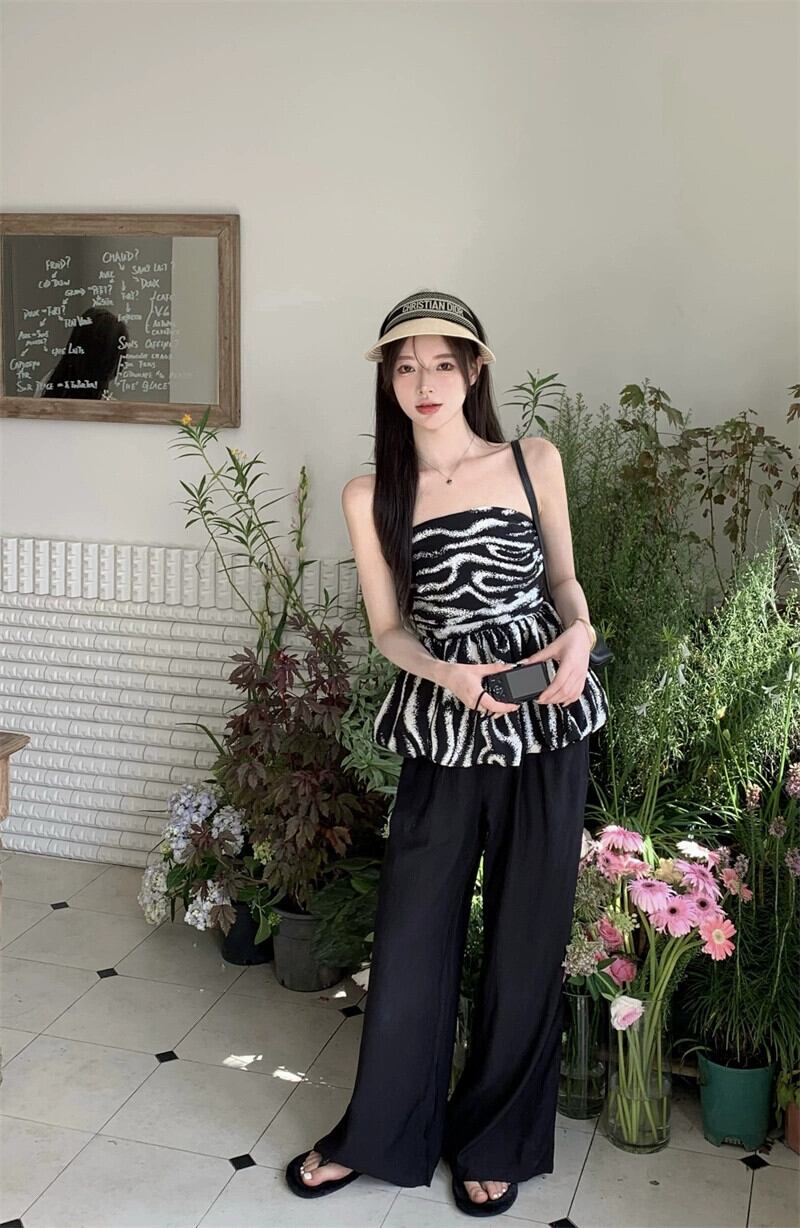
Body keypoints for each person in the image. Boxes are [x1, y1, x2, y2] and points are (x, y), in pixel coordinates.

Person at [285, 288, 609, 1217]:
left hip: (549, 717)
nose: (423, 382)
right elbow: (389, 629)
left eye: (441, 363)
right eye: (404, 366)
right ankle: (382, 1133)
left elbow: (563, 581)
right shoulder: (372, 495)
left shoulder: (533, 459)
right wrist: (447, 673)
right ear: (388, 381)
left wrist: (581, 637)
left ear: (474, 371)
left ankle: (494, 1140)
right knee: (414, 931)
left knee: (527, 932)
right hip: (445, 720)